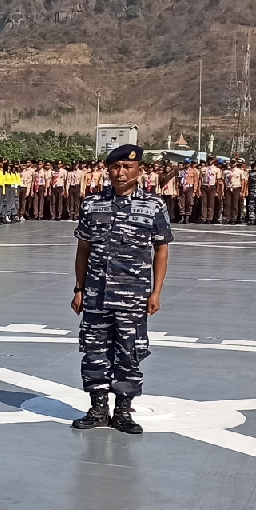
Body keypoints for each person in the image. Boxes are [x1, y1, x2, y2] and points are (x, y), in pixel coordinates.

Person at [70, 143, 171, 435]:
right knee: (94, 351)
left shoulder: (153, 206)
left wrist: (156, 292)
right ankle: (98, 407)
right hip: (96, 294)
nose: (120, 172)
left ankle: (123, 410)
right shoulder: (92, 204)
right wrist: (79, 288)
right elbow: (83, 250)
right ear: (108, 169)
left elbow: (161, 250)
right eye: (115, 167)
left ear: (140, 170)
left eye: (127, 167)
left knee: (130, 351)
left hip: (133, 295)